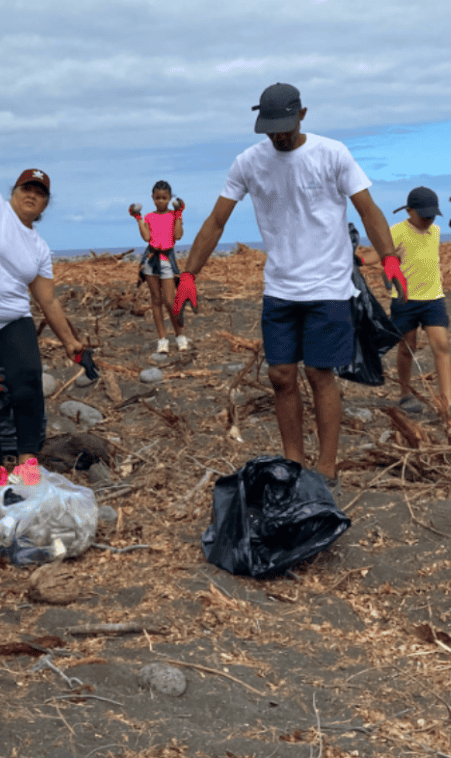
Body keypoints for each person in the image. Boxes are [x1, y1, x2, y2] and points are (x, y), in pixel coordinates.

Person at [173, 83, 408, 494]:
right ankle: (293, 461)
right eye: (269, 129)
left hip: (328, 286)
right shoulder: (248, 162)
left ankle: (328, 465)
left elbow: (367, 210)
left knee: (320, 373)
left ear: (302, 115)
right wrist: (190, 274)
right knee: (280, 375)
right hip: (280, 287)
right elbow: (216, 222)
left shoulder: (332, 154)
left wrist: (388, 257)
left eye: (284, 126)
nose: (277, 136)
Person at [0, 86, 95, 486]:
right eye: (26, 189)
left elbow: (46, 298)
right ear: (13, 193)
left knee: (28, 381)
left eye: (40, 193)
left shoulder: (39, 247)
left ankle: (28, 461)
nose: (32, 195)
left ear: (46, 205)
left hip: (13, 319)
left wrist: (71, 342)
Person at [361, 187, 451, 424]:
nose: (428, 220)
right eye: (424, 216)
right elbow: (379, 254)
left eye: (432, 216)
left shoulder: (436, 232)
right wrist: (357, 260)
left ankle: (447, 403)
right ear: (409, 211)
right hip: (405, 301)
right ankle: (405, 393)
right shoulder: (398, 231)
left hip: (434, 299)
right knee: (406, 348)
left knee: (442, 346)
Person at [130, 181, 189, 352]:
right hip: (150, 260)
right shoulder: (149, 216)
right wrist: (138, 218)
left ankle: (180, 335)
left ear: (170, 198)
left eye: (164, 198)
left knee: (170, 302)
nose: (161, 201)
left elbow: (178, 235)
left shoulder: (173, 215)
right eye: (157, 198)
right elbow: (146, 237)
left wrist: (179, 214)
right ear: (152, 198)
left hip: (167, 260)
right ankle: (162, 339)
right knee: (156, 301)